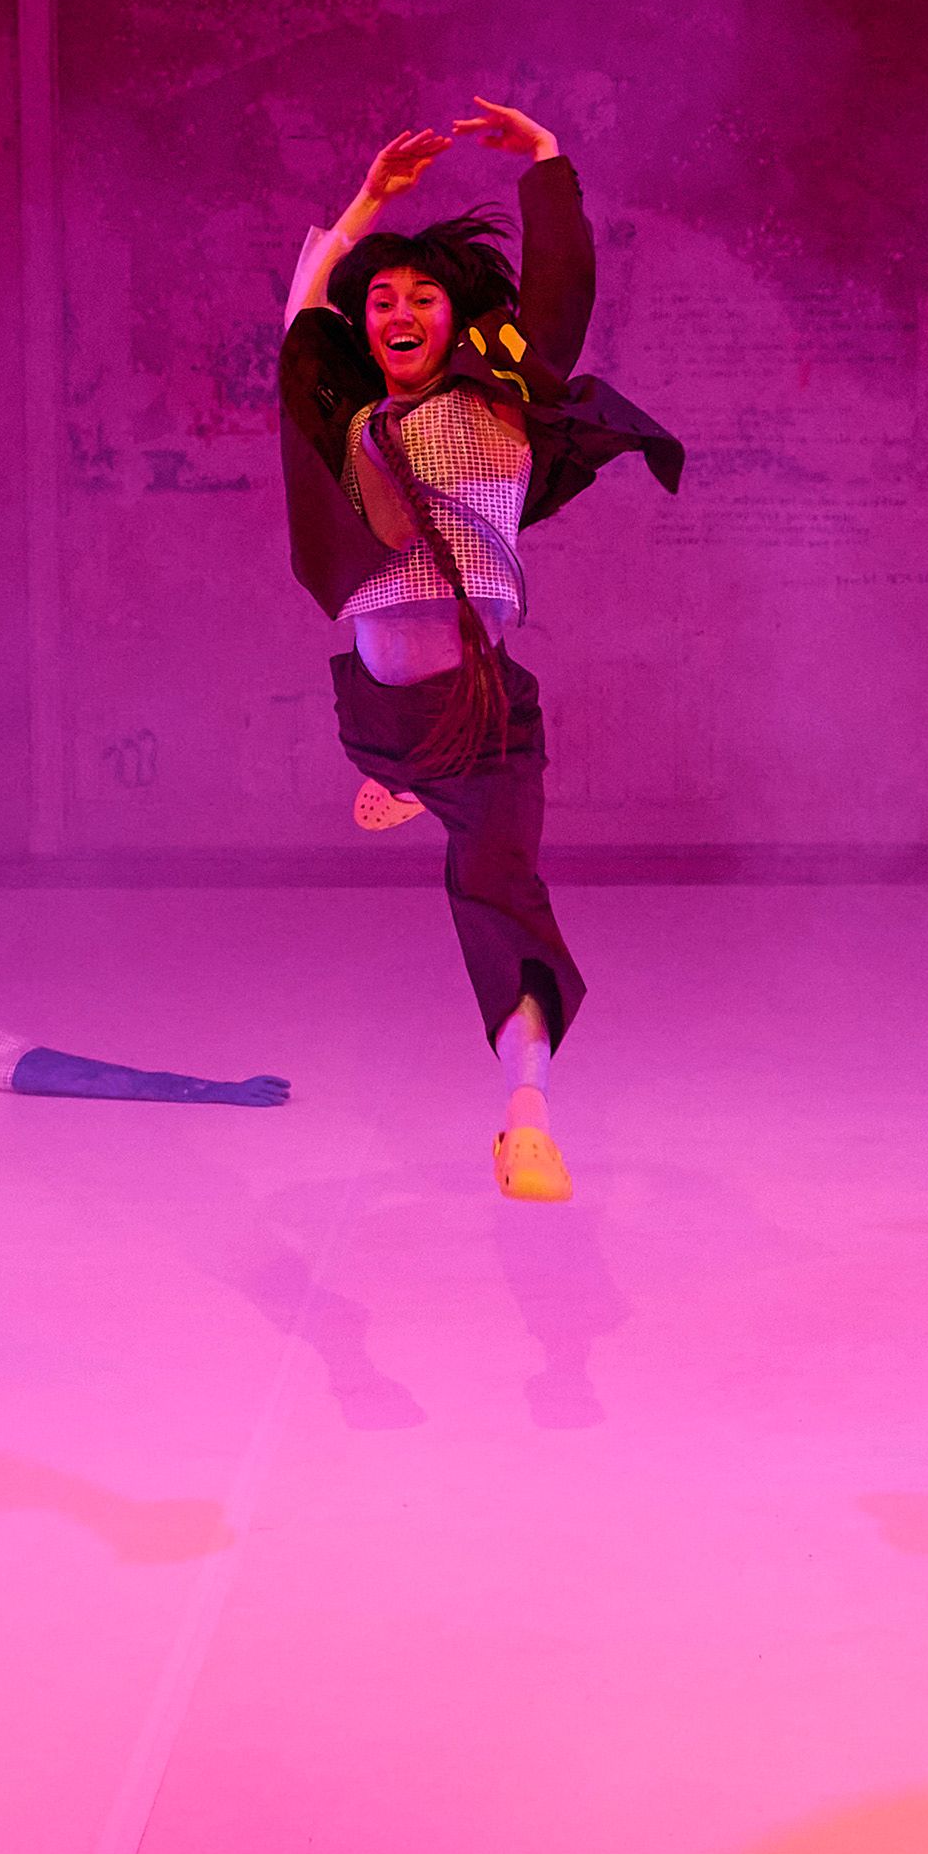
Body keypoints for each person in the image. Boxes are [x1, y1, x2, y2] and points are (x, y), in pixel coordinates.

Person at [276, 99, 682, 1202]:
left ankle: (527, 1115)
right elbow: (302, 328)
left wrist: (545, 161)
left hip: (486, 716)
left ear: (456, 317)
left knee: (501, 904)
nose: (396, 312)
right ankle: (398, 776)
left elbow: (559, 294)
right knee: (390, 748)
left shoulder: (501, 403)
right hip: (381, 715)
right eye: (381, 301)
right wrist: (366, 204)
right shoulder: (356, 424)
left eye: (421, 296)